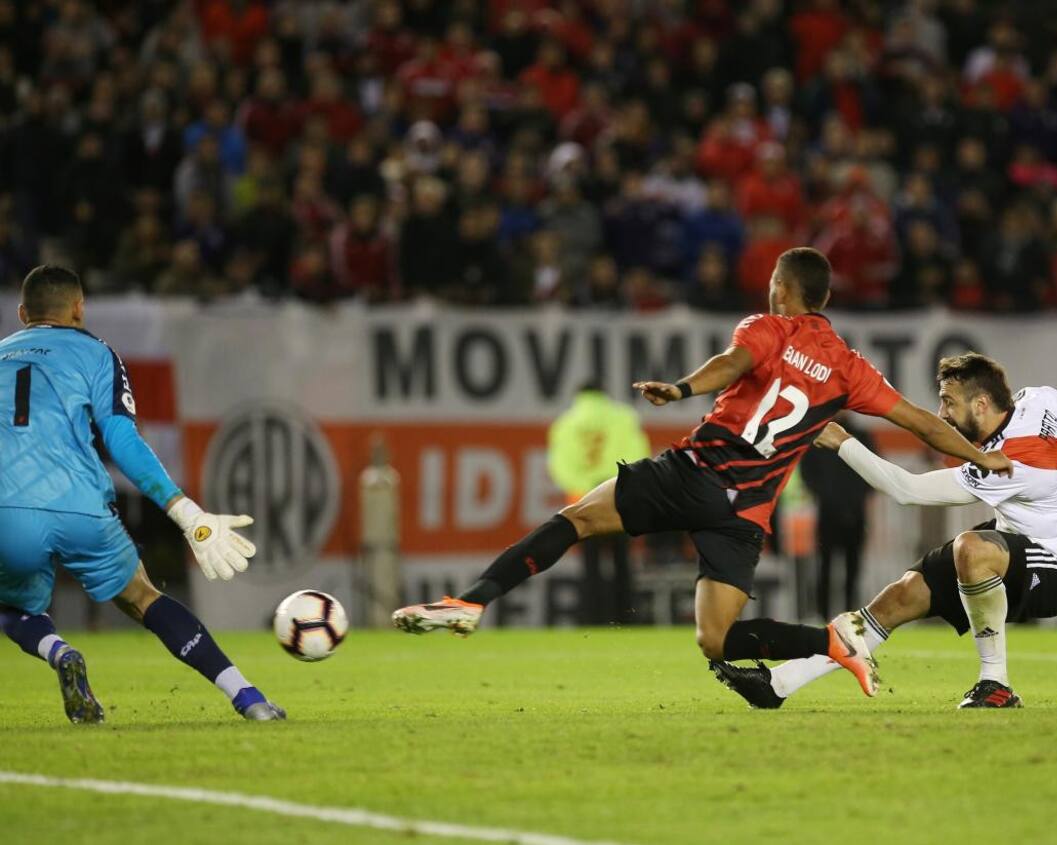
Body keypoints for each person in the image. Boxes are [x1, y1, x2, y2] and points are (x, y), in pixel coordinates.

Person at [392, 248, 1013, 696]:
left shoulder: (768, 328)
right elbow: (919, 422)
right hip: (744, 515)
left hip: (694, 472)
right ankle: (832, 643)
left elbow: (732, 361)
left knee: (577, 520)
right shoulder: (850, 369)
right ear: (824, 300)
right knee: (716, 639)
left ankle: (470, 602)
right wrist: (982, 455)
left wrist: (684, 388)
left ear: (780, 288)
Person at [712, 353, 1057, 709]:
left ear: (980, 405)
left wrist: (841, 442)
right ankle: (779, 684)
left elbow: (906, 490)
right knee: (898, 598)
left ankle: (995, 684)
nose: (941, 413)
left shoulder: (1008, 462)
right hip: (1017, 542)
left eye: (948, 402)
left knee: (972, 548)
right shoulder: (1040, 400)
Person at [0, 265, 283, 723]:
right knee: (144, 597)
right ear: (79, 308)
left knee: (11, 608)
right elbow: (121, 439)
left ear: (21, 313)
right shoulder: (96, 352)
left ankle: (59, 652)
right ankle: (248, 697)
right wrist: (187, 513)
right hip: (80, 504)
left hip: (6, 511)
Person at [547, 382, 650, 624]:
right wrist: (615, 483)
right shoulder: (623, 417)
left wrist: (585, 487)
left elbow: (559, 467)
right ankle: (626, 618)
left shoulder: (565, 423)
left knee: (590, 564)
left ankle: (592, 618)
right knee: (622, 562)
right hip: (618, 497)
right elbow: (639, 455)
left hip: (582, 502)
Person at [800, 413, 874, 618]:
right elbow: (808, 474)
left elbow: (875, 471)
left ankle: (850, 613)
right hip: (829, 512)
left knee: (853, 567)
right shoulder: (820, 436)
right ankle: (823, 615)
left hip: (853, 512)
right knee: (825, 566)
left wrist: (855, 498)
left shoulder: (861, 436)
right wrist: (828, 497)